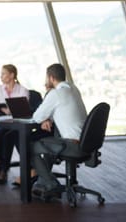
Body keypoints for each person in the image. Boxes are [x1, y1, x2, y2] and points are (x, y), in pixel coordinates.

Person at [30, 63, 87, 198]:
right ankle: (42, 182)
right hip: (86, 142)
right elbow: (64, 110)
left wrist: (44, 118)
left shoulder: (56, 93)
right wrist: (48, 118)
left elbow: (36, 117)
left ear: (51, 78)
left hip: (72, 144)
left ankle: (51, 184)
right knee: (50, 144)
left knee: (30, 147)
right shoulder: (73, 88)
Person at [0, 64, 29, 184]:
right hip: (5, 123)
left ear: (12, 75)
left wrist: (12, 111)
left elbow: (24, 110)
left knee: (7, 137)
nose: (1, 76)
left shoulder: (22, 90)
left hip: (18, 125)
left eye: (3, 73)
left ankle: (4, 170)